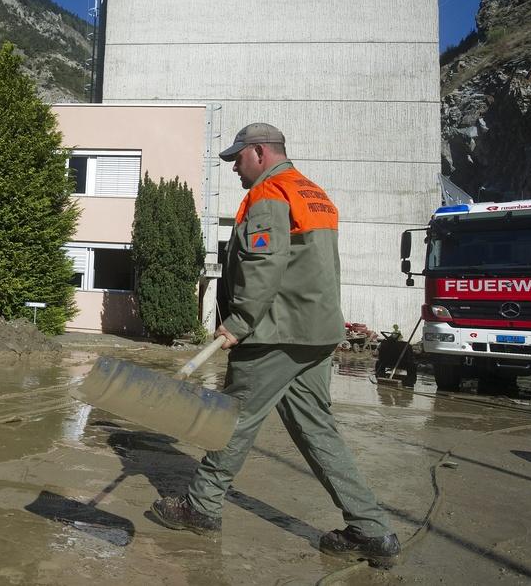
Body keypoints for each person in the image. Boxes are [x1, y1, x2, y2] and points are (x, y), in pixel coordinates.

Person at [150, 123, 401, 569]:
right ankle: (372, 529)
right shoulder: (314, 193)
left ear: (260, 152)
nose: (234, 169)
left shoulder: (269, 195)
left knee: (231, 421)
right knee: (316, 430)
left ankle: (201, 506)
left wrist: (239, 322)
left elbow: (263, 265)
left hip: (275, 334)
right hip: (316, 332)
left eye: (238, 159)